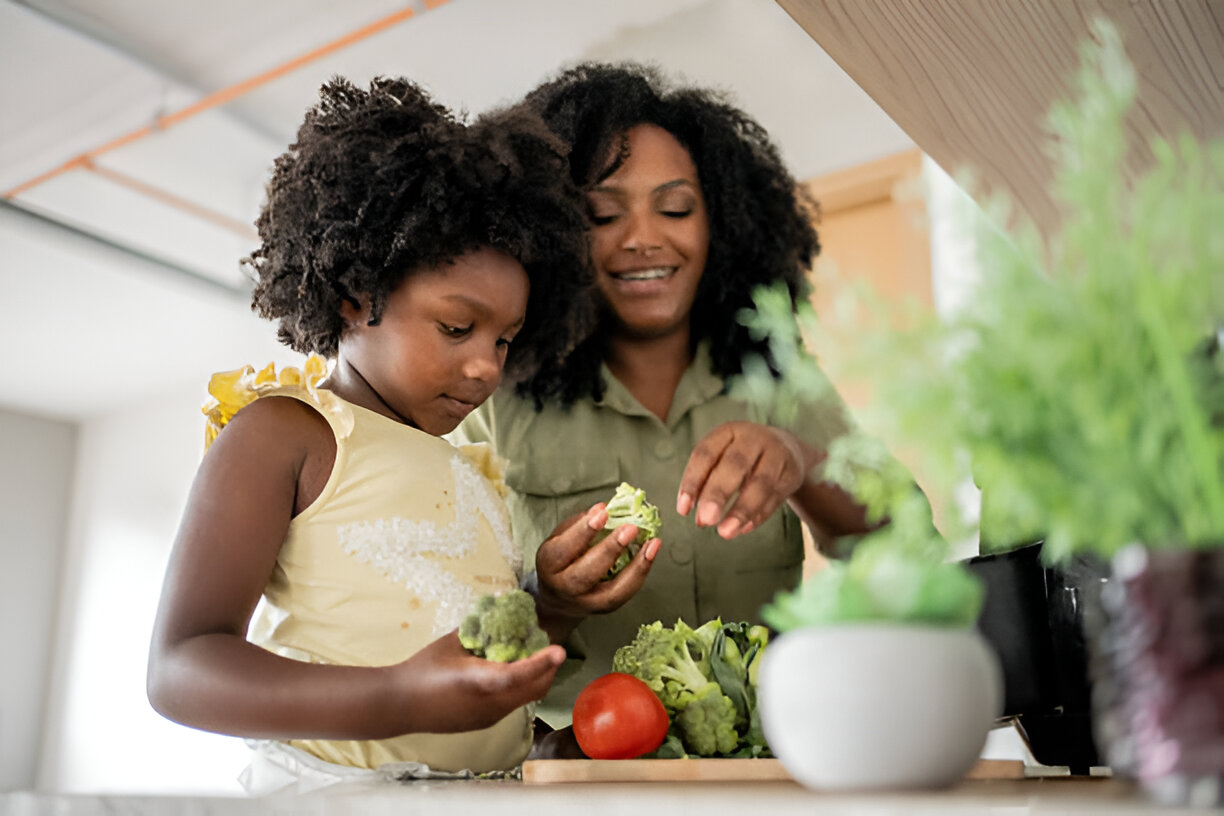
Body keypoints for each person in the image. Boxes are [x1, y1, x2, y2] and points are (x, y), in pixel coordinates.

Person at [146, 76, 658, 780]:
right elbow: (181, 669)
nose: (485, 367)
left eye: (505, 340)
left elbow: (471, 679)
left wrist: (552, 610)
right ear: (358, 297)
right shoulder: (286, 433)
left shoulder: (472, 469)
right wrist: (397, 697)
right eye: (456, 327)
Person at [452, 62, 881, 731]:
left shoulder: (775, 369)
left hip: (764, 764)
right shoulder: (488, 393)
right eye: (602, 214)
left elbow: (903, 537)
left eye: (676, 207)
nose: (644, 238)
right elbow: (442, 637)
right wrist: (550, 602)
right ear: (554, 231)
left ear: (723, 223)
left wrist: (802, 461)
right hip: (571, 773)